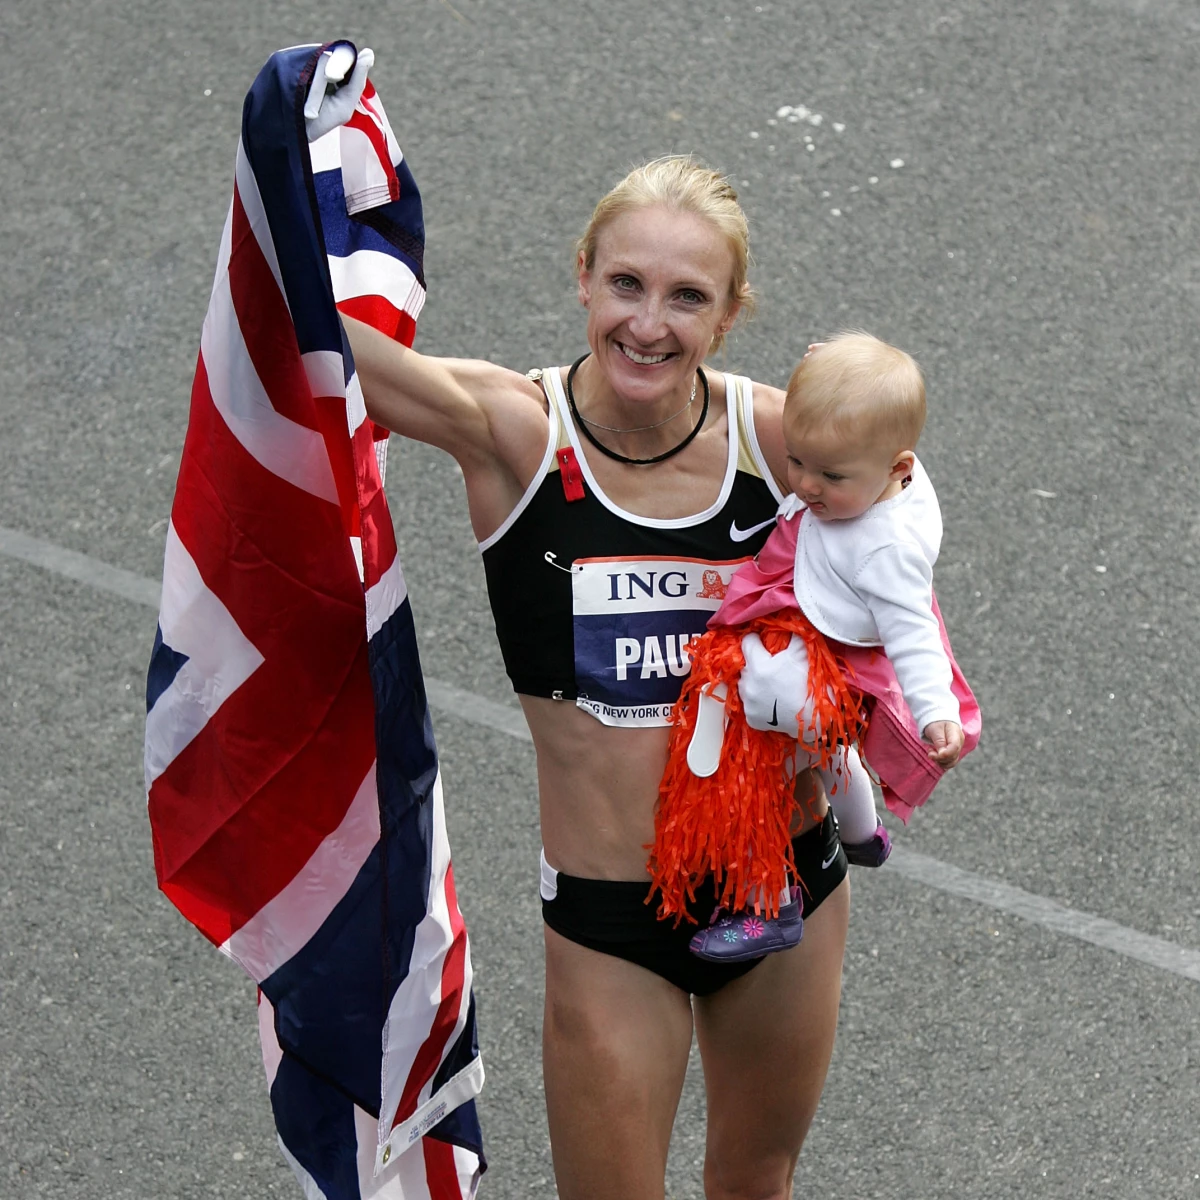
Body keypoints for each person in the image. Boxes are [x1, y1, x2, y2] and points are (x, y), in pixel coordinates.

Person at [344, 155, 850, 1200]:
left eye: (686, 297)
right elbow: (321, 347)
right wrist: (277, 187)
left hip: (782, 885)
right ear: (582, 276)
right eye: (625, 284)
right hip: (616, 928)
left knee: (757, 1180)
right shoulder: (513, 432)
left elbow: (903, 493)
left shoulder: (781, 438)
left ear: (730, 314)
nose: (648, 325)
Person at [650, 332, 979, 963]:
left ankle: (765, 902)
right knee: (824, 756)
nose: (804, 484)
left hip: (824, 663)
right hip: (815, 643)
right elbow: (860, 405)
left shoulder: (887, 550)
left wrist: (935, 712)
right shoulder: (882, 469)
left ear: (898, 468)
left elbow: (916, 634)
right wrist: (824, 366)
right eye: (798, 461)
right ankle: (860, 832)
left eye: (830, 475)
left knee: (751, 768)